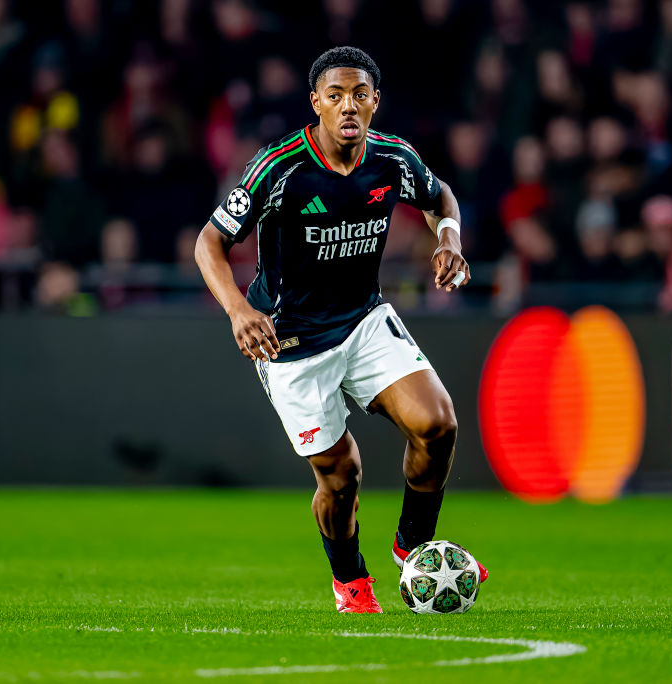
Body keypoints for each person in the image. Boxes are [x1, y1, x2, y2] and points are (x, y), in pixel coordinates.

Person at [194, 47, 487, 614]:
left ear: (375, 102)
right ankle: (351, 580)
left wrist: (448, 238)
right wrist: (236, 309)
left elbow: (439, 195)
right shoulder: (279, 167)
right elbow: (209, 241)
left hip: (364, 320)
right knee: (341, 475)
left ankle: (413, 547)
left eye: (359, 94)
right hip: (292, 342)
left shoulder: (393, 159)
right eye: (335, 96)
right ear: (316, 105)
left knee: (438, 423)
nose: (347, 105)